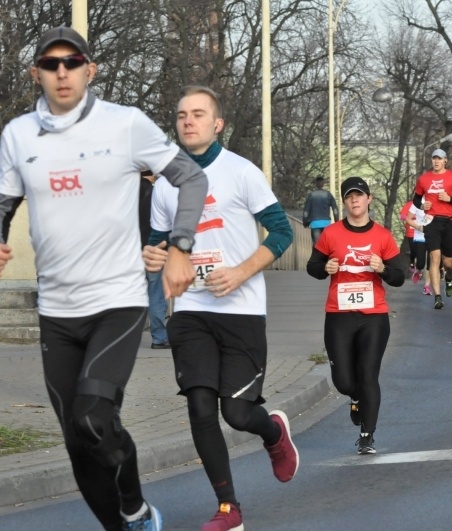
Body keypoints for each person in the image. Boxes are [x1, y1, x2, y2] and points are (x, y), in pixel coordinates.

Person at [0, 27, 208, 531]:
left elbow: (191, 177)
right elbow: (4, 202)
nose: (62, 72)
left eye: (72, 62)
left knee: (93, 417)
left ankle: (135, 507)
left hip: (117, 301)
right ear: (36, 73)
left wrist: (180, 248)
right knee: (78, 442)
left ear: (90, 69)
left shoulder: (126, 124)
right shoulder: (17, 135)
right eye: (51, 64)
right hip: (56, 311)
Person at [143, 85, 298, 531]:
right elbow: (157, 244)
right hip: (190, 309)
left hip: (241, 308)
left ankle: (273, 431)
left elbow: (282, 233)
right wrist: (152, 256)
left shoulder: (241, 172)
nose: (188, 121)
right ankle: (229, 508)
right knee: (199, 405)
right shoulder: (165, 184)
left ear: (217, 124)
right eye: (181, 115)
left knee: (237, 413)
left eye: (198, 114)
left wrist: (241, 273)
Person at [306, 176, 405, 454]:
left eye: (359, 195)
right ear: (344, 202)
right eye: (349, 196)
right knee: (344, 381)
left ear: (368, 199)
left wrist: (382, 269)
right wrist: (325, 268)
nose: (355, 200)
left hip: (374, 317)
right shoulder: (331, 234)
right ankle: (356, 398)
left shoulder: (382, 236)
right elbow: (312, 267)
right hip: (339, 316)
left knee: (368, 375)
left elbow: (399, 277)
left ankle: (366, 435)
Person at [412, 148, 452, 309]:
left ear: (445, 161)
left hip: (449, 222)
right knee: (434, 257)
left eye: (439, 159)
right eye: (434, 158)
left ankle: (449, 277)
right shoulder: (424, 179)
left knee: (448, 262)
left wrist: (450, 199)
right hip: (431, 221)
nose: (436, 161)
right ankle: (437, 296)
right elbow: (416, 200)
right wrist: (422, 205)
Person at [139, 171, 170, 349]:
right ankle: (159, 338)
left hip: (127, 253)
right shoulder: (156, 193)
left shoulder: (123, 193)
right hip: (153, 252)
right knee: (156, 294)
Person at [303, 176, 339, 244]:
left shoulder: (311, 195)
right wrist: (337, 221)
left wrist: (305, 222)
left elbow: (306, 212)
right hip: (326, 224)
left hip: (314, 223)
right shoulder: (328, 195)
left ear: (316, 184)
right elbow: (335, 210)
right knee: (326, 244)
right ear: (323, 184)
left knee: (317, 245)